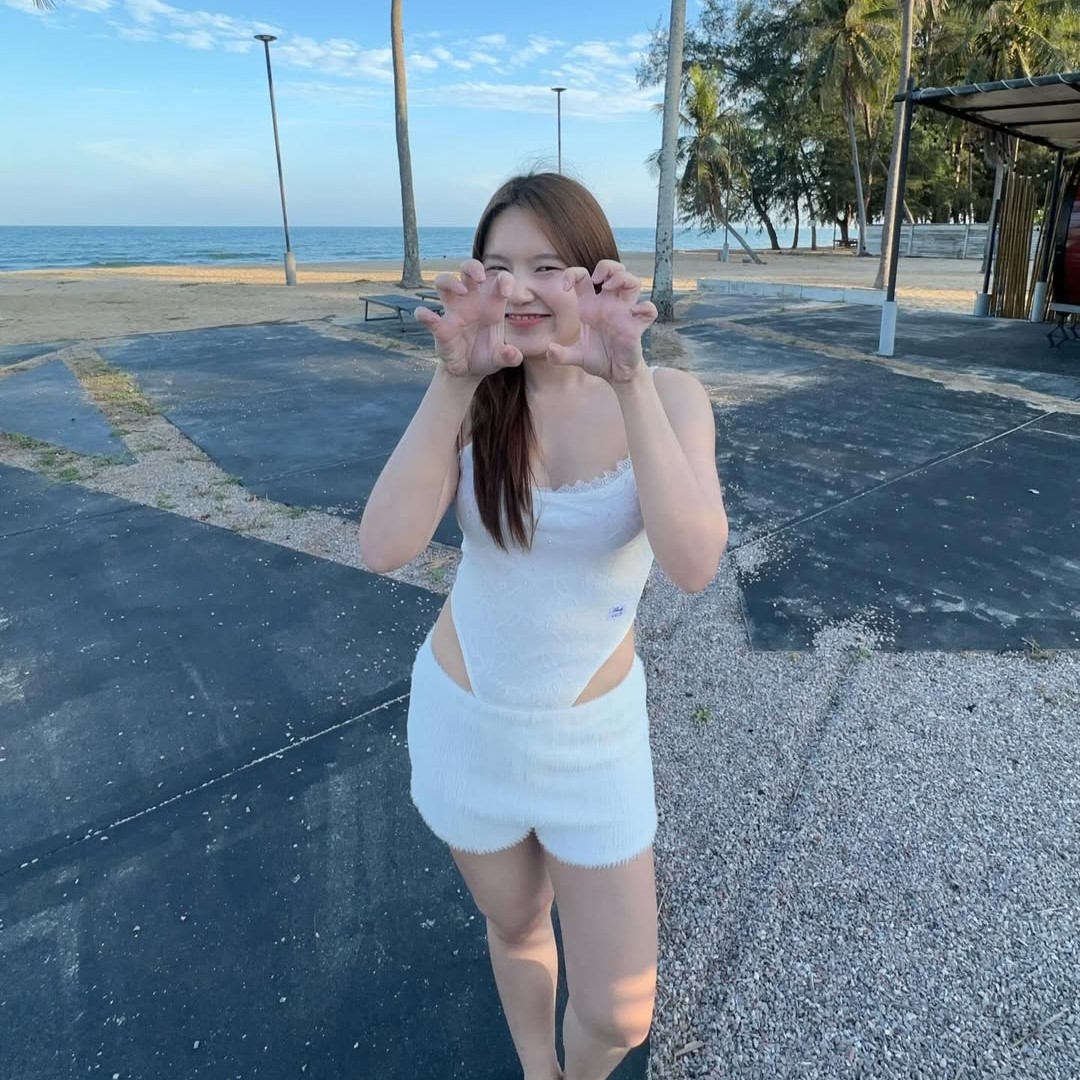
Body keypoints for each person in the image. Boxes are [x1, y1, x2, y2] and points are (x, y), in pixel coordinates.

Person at [358, 172, 728, 1080]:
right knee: (517, 924)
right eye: (497, 267)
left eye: (545, 266)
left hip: (593, 743)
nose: (517, 288)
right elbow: (383, 546)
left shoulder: (671, 395)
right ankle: (536, 1068)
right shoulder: (481, 395)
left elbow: (692, 563)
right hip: (466, 720)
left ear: (595, 275)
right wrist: (452, 380)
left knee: (619, 1012)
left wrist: (628, 378)